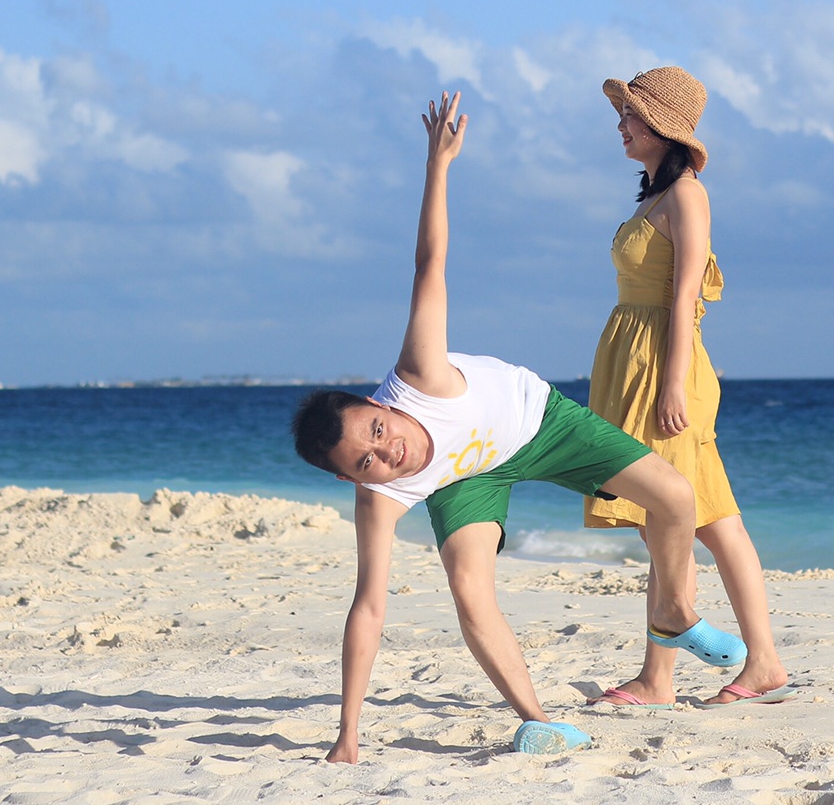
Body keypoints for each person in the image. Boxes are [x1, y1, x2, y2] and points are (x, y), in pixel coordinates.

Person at [292, 92, 746, 763]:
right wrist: (347, 736)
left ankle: (674, 612)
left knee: (676, 497)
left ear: (378, 404)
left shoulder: (417, 372)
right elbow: (368, 610)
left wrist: (438, 165)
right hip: (469, 478)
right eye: (368, 463)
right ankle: (536, 719)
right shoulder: (380, 499)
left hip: (537, 423)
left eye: (379, 430)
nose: (390, 453)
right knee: (470, 591)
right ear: (348, 477)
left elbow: (429, 264)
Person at [583, 67, 792, 708]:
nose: (620, 125)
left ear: (663, 128)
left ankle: (672, 674)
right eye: (622, 113)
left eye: (632, 116)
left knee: (677, 520)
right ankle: (747, 665)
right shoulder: (652, 199)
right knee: (699, 519)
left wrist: (671, 385)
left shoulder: (688, 196)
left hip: (666, 370)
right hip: (633, 363)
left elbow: (685, 298)